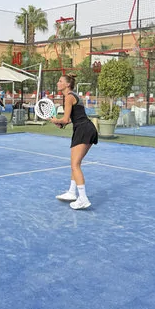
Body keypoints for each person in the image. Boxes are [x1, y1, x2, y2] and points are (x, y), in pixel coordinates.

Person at [50, 73, 98, 209]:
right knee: (75, 163)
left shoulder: (69, 97)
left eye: (60, 81)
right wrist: (61, 123)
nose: (58, 83)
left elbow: (65, 119)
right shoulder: (73, 96)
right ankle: (72, 192)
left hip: (83, 130)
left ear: (67, 84)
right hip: (86, 128)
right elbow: (74, 118)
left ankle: (83, 199)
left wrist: (56, 120)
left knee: (75, 165)